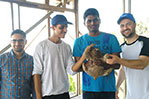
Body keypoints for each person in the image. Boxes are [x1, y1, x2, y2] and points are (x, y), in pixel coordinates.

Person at [32, 14, 87, 99]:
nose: (65, 30)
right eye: (61, 27)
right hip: (48, 94)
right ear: (53, 27)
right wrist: (39, 97)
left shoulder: (66, 47)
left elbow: (71, 70)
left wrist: (84, 57)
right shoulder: (41, 46)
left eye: (66, 27)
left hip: (64, 93)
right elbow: (36, 73)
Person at [72, 8, 121, 99]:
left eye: (95, 20)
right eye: (89, 21)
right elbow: (77, 67)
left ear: (99, 21)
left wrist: (103, 64)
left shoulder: (111, 38)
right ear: (84, 23)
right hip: (89, 89)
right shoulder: (79, 42)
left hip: (108, 88)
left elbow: (118, 65)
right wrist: (88, 65)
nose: (92, 23)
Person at [105, 13, 149, 99]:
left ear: (134, 25)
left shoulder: (146, 42)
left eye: (128, 24)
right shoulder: (122, 48)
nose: (125, 28)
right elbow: (123, 70)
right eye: (122, 25)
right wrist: (116, 88)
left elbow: (142, 64)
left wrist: (118, 60)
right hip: (130, 96)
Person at [0, 29, 35, 99]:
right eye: (14, 40)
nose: (17, 43)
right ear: (10, 42)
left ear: (26, 42)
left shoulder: (32, 60)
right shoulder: (2, 59)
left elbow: (34, 84)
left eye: (21, 40)